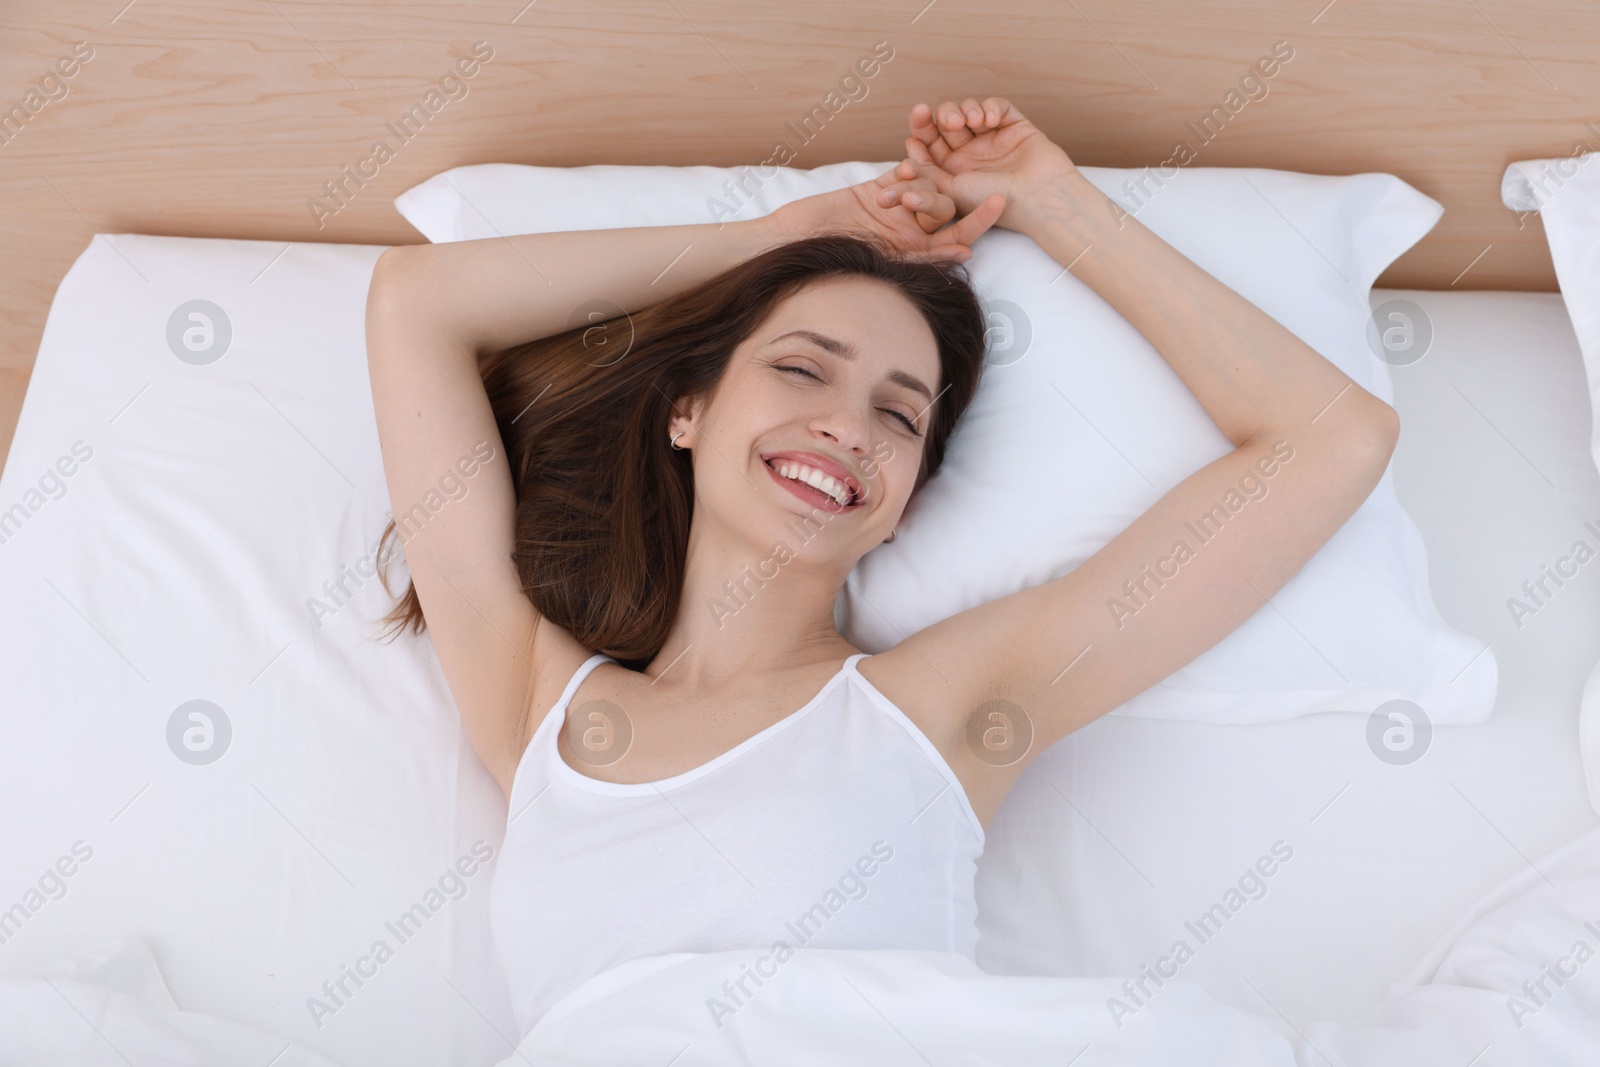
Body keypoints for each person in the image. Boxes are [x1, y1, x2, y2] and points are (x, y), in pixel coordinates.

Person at [364, 96, 1398, 1036]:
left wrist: (1050, 202)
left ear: (903, 505)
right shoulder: (534, 702)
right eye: (801, 365)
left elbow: (1330, 439)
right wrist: (773, 240)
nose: (846, 426)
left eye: (898, 414)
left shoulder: (943, 704)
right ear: (688, 408)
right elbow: (416, 301)